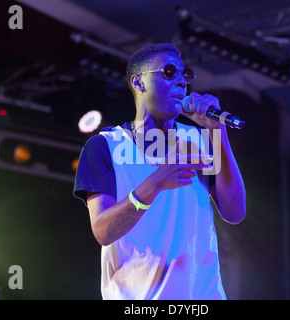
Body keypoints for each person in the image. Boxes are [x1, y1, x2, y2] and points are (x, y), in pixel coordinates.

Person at [73, 43, 246, 300]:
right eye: (168, 72)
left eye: (184, 75)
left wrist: (216, 130)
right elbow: (103, 230)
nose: (180, 82)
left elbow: (234, 211)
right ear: (138, 82)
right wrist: (154, 183)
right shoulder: (105, 146)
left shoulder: (199, 139)